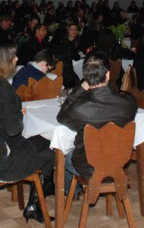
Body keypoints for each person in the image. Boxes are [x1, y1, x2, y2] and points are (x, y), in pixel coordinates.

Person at [0, 40, 55, 223]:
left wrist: (13, 111)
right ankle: (34, 206)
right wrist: (18, 114)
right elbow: (14, 129)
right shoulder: (3, 88)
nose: (17, 59)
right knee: (51, 151)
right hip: (4, 157)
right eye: (13, 56)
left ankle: (29, 204)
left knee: (43, 141)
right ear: (3, 61)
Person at [57, 52, 137, 191]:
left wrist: (81, 88)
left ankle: (70, 192)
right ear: (108, 75)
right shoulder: (129, 103)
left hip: (87, 166)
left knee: (63, 158)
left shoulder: (78, 109)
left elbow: (61, 116)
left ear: (86, 77)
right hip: (119, 162)